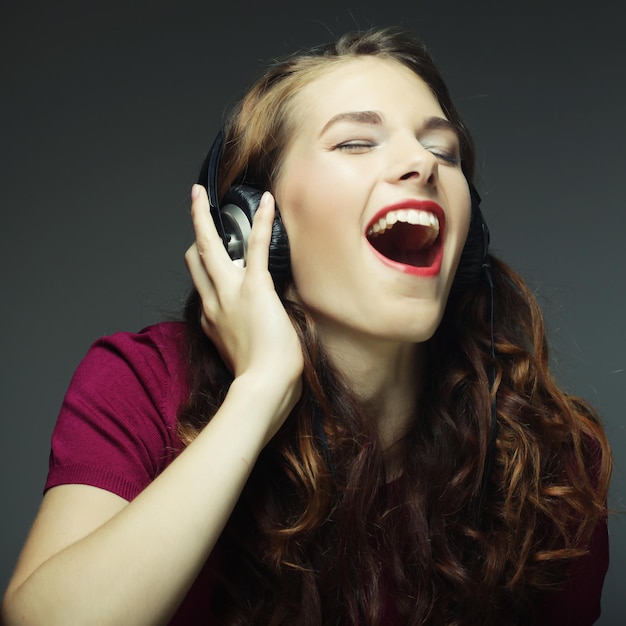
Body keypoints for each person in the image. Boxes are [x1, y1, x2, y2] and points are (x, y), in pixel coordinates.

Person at [1, 27, 612, 625]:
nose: (420, 166)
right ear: (251, 229)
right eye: (354, 143)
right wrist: (259, 393)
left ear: (470, 237)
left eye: (442, 151)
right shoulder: (141, 384)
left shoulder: (548, 463)